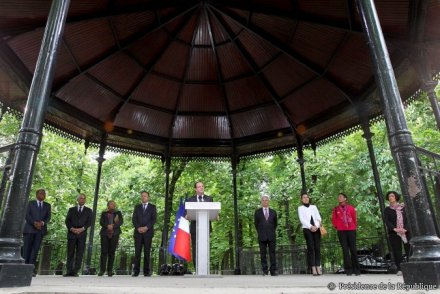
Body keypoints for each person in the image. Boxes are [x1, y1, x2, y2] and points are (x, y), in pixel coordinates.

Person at [22, 189, 51, 276]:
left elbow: (48, 217)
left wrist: (42, 223)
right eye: (41, 193)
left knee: (35, 250)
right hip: (29, 229)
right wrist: (34, 223)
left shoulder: (47, 205)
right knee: (26, 249)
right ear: (36, 194)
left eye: (44, 193)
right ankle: (23, 269)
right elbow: (27, 215)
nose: (43, 195)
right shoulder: (30, 203)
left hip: (40, 231)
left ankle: (31, 270)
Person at [332, 192, 361, 276]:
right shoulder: (336, 209)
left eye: (341, 197)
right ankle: (348, 270)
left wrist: (354, 226)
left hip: (351, 230)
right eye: (338, 197)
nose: (339, 198)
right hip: (341, 231)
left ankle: (357, 270)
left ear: (345, 198)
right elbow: (334, 219)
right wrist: (337, 226)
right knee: (345, 250)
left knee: (353, 250)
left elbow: (354, 218)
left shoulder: (351, 208)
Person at [185, 181, 213, 268]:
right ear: (195, 189)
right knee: (195, 248)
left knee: (205, 248)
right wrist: (186, 215)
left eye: (202, 186)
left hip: (206, 227)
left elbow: (213, 212)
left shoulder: (209, 199)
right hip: (194, 227)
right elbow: (186, 213)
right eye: (199, 186)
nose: (201, 188)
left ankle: (205, 267)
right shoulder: (190, 200)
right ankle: (197, 268)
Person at [64, 193, 93, 277]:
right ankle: (69, 270)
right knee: (70, 252)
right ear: (77, 200)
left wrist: (82, 229)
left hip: (82, 234)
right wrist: (72, 229)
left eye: (84, 198)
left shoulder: (88, 210)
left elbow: (89, 222)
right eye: (80, 198)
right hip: (71, 234)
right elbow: (67, 221)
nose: (82, 200)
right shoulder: (71, 209)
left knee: (80, 253)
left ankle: (75, 271)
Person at [384, 191, 411, 276]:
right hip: (394, 232)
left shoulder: (403, 207)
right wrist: (394, 229)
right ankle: (400, 269)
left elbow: (408, 219)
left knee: (409, 249)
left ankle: (411, 267)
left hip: (405, 231)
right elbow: (387, 221)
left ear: (396, 197)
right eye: (389, 196)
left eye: (392, 196)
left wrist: (405, 229)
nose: (390, 197)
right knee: (397, 251)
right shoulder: (387, 209)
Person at [132, 191, 157, 277]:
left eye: (145, 196)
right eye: (142, 196)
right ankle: (136, 271)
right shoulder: (137, 207)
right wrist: (138, 228)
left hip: (148, 233)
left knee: (147, 252)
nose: (143, 197)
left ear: (148, 197)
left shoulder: (153, 207)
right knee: (137, 252)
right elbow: (134, 219)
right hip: (138, 233)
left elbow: (153, 219)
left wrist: (146, 227)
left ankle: (147, 271)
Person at [298, 193, 322, 275]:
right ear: (301, 199)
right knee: (311, 248)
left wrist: (316, 226)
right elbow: (302, 219)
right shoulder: (300, 208)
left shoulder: (314, 207)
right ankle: (313, 267)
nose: (306, 198)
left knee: (317, 248)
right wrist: (310, 226)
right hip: (307, 229)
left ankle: (318, 266)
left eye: (307, 197)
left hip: (317, 228)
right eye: (304, 197)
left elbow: (318, 218)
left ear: (309, 198)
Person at [254, 195, 278, 276]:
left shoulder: (273, 212)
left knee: (272, 253)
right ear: (261, 202)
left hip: (271, 235)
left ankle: (273, 271)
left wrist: (270, 231)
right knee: (263, 254)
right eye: (263, 200)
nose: (265, 201)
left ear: (268, 201)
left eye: (266, 200)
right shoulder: (257, 212)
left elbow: (275, 224)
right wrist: (261, 231)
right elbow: (256, 224)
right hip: (262, 235)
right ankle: (264, 270)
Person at [99, 200, 123, 277]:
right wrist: (107, 226)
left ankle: (110, 270)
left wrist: (113, 226)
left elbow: (120, 222)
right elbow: (101, 222)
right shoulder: (104, 213)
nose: (113, 205)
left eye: (114, 204)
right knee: (104, 252)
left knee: (112, 252)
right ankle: (102, 270)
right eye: (111, 204)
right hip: (104, 233)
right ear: (108, 205)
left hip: (115, 233)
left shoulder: (118, 213)